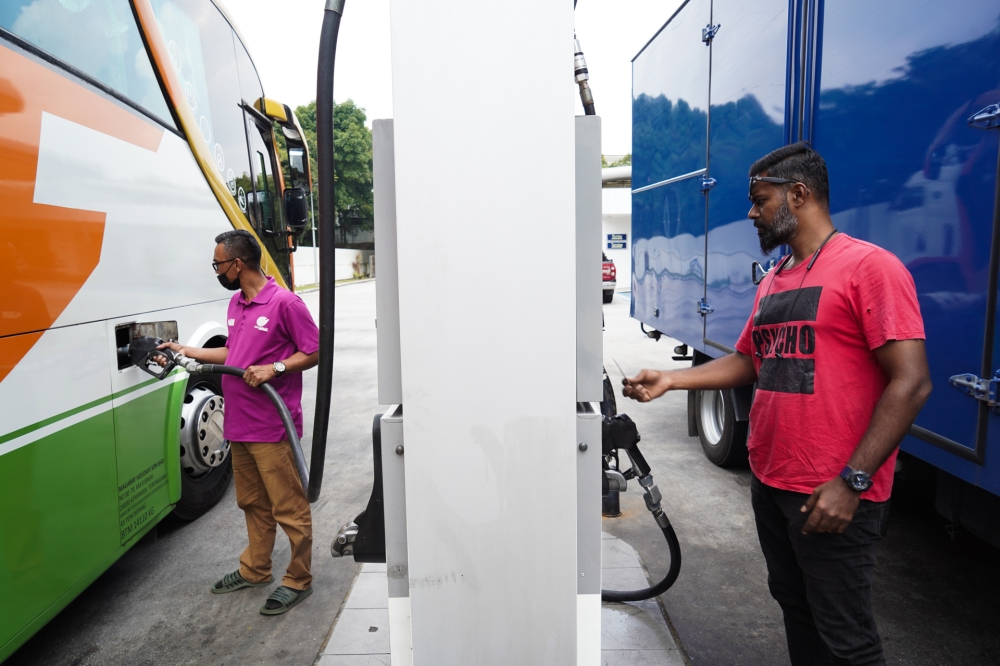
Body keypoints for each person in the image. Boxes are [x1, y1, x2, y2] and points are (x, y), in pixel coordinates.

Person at [622, 142, 932, 665]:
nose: (751, 213)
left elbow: (912, 382)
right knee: (795, 608)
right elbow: (749, 360)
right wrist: (672, 380)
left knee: (846, 639)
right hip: (773, 483)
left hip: (832, 492)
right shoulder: (776, 278)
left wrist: (852, 482)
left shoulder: (869, 268)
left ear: (799, 194)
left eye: (760, 200)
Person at [159, 229, 319, 616]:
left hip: (273, 426)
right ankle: (256, 569)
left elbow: (313, 351)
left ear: (237, 263)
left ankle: (298, 579)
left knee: (288, 507)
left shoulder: (285, 303)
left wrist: (274, 368)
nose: (216, 269)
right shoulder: (236, 303)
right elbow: (233, 351)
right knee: (251, 503)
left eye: (218, 263)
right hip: (239, 425)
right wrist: (186, 350)